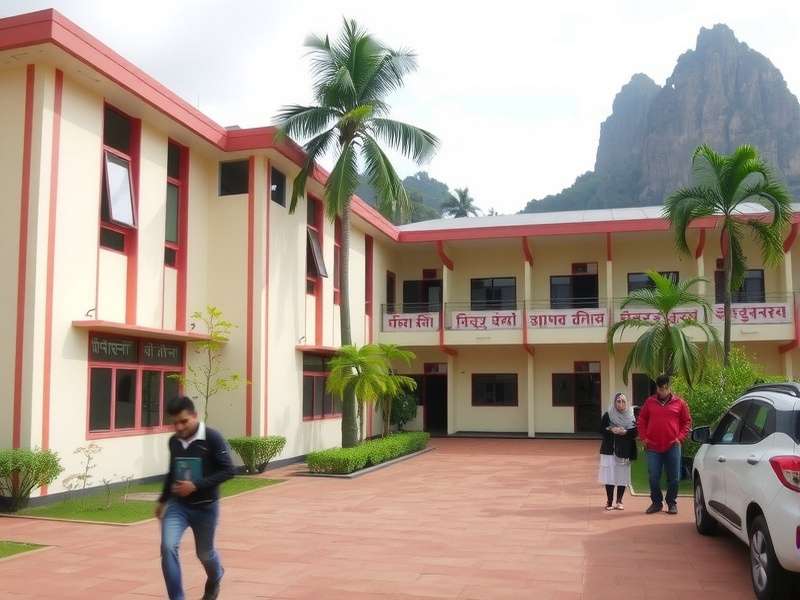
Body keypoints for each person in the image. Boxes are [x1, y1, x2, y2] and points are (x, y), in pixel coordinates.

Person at [157, 396, 235, 600]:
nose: (179, 427)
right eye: (174, 423)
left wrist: (195, 485)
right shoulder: (173, 441)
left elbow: (228, 471)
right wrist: (163, 500)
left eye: (184, 421)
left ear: (194, 416)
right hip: (178, 506)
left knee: (205, 554)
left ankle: (216, 575)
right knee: (167, 547)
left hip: (206, 508)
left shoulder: (212, 438)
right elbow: (172, 471)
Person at [637, 374, 692, 515]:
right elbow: (642, 419)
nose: (663, 392)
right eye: (660, 389)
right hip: (653, 447)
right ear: (657, 388)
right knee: (653, 476)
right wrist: (644, 437)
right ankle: (656, 503)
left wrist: (680, 438)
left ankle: (671, 503)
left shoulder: (680, 403)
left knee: (674, 477)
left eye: (665, 389)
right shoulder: (649, 402)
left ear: (669, 387)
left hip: (673, 446)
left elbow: (686, 422)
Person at [598, 392, 638, 510]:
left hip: (625, 449)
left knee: (622, 475)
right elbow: (601, 429)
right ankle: (609, 501)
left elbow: (635, 432)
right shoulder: (608, 415)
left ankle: (619, 501)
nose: (621, 404)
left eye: (623, 401)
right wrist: (612, 429)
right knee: (609, 476)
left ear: (627, 402)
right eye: (618, 401)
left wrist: (625, 432)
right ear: (614, 402)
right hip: (610, 449)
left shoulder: (631, 416)